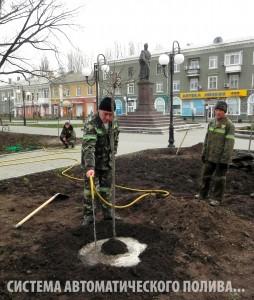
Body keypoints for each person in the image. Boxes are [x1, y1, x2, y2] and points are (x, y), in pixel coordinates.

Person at [81, 97, 120, 226]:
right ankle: (89, 217)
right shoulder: (91, 124)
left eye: (111, 114)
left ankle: (108, 214)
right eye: (106, 114)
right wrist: (90, 167)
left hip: (107, 163)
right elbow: (89, 147)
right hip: (92, 164)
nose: (108, 117)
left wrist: (112, 156)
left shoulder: (114, 123)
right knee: (91, 191)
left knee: (106, 189)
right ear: (99, 111)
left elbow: (115, 141)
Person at [196, 100, 235, 206]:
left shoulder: (229, 125)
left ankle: (217, 199)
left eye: (221, 110)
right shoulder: (212, 122)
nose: (218, 112)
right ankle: (203, 194)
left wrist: (224, 160)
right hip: (210, 156)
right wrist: (204, 152)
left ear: (224, 112)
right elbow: (207, 139)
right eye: (216, 110)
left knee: (219, 179)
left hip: (221, 158)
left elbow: (229, 144)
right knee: (205, 176)